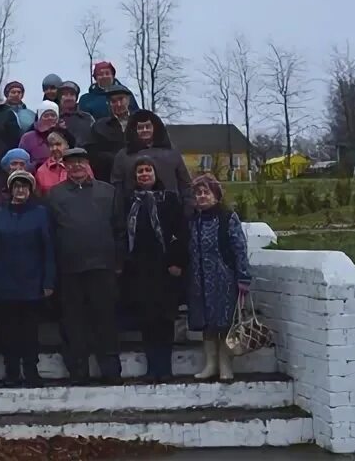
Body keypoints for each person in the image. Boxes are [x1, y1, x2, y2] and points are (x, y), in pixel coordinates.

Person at [47, 148, 125, 385]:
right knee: (73, 322)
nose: (76, 167)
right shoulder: (54, 195)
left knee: (106, 319)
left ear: (88, 164)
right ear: (65, 166)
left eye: (80, 162)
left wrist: (118, 262)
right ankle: (77, 371)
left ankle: (110, 370)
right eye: (71, 163)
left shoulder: (108, 192)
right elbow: (50, 234)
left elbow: (120, 230)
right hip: (69, 269)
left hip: (103, 267)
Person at [124, 158, 187, 382]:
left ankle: (165, 368)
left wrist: (177, 261)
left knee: (165, 319)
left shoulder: (169, 199)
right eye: (139, 171)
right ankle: (152, 368)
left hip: (166, 267)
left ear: (155, 173)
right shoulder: (128, 201)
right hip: (140, 269)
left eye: (148, 170)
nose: (144, 174)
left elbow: (181, 232)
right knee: (147, 320)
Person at [0, 170, 55, 388]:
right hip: (5, 282)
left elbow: (48, 249)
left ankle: (31, 370)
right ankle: (12, 370)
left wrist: (48, 281)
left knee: (29, 331)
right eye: (17, 187)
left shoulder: (40, 213)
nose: (20, 191)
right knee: (8, 331)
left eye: (24, 187)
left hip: (32, 282)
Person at [187, 174, 251, 382]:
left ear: (216, 195)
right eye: (198, 193)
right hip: (199, 279)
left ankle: (225, 366)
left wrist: (243, 277)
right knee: (206, 324)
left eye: (207, 192)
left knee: (224, 323)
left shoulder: (227, 217)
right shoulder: (192, 220)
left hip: (223, 278)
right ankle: (210, 365)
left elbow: (239, 248)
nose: (202, 196)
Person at [111, 110, 193, 216]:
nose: (144, 130)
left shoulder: (171, 152)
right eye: (140, 127)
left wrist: (189, 209)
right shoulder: (123, 156)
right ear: (133, 130)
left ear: (155, 128)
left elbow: (185, 184)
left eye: (148, 126)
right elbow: (118, 191)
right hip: (135, 214)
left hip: (171, 212)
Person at [86, 84, 133, 183]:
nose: (118, 104)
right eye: (113, 101)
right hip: (109, 178)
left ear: (128, 100)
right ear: (108, 103)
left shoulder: (139, 122)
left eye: (121, 99)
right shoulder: (99, 126)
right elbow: (93, 155)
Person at [0, 147, 31, 217]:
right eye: (14, 163)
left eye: (22, 164)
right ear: (6, 166)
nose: (18, 168)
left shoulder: (31, 188)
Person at [19, 101, 62, 165]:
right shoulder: (28, 137)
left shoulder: (64, 135)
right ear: (39, 118)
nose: (50, 118)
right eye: (46, 115)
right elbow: (21, 160)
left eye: (53, 115)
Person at [35, 128, 75, 196]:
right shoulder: (41, 171)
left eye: (58, 144)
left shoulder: (80, 165)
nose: (54, 148)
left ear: (67, 145)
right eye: (51, 145)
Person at [57, 80, 94, 147]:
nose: (69, 98)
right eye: (65, 94)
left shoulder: (88, 118)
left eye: (72, 94)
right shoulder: (54, 118)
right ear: (59, 98)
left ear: (76, 98)